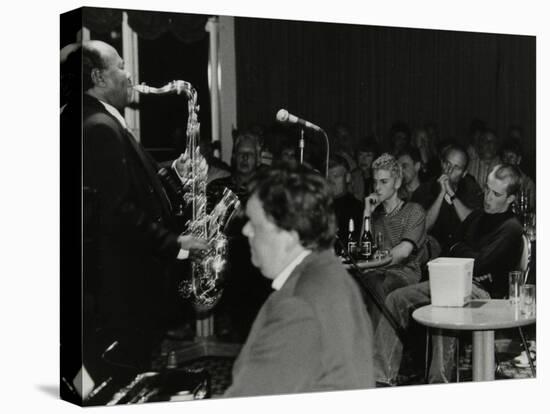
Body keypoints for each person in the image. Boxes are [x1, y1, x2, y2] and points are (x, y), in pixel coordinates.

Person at [61, 40, 207, 371]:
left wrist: (173, 171)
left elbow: (127, 184)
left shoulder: (100, 120)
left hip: (121, 286)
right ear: (98, 77)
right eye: (122, 66)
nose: (130, 76)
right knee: (130, 373)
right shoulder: (99, 127)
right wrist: (176, 245)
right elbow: (117, 212)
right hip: (124, 290)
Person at [224, 163, 375, 397]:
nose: (246, 231)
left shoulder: (298, 308)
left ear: (289, 236)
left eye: (254, 223)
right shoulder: (328, 271)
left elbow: (249, 402)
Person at [374, 164, 523, 385]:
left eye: (496, 194)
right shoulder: (477, 217)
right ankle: (381, 378)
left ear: (511, 199)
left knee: (446, 306)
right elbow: (450, 246)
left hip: (483, 293)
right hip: (452, 280)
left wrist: (461, 251)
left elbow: (480, 265)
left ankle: (439, 383)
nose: (488, 197)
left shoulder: (511, 228)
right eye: (487, 189)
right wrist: (464, 252)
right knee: (395, 299)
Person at [359, 154, 427, 328]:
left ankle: (375, 349)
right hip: (375, 272)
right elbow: (363, 250)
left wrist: (373, 264)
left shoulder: (414, 211)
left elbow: (403, 252)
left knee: (374, 283)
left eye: (384, 182)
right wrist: (367, 213)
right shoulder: (375, 217)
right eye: (375, 182)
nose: (377, 188)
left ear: (397, 183)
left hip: (403, 272)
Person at [424, 144, 483, 253]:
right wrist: (441, 194)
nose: (449, 170)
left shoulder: (471, 188)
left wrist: (452, 194)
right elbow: (423, 227)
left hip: (464, 254)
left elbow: (474, 225)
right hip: (434, 256)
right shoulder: (426, 189)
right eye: (447, 164)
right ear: (441, 163)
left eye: (457, 167)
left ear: (464, 173)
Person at [327, 155, 363, 248]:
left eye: (336, 176)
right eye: (328, 177)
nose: (331, 181)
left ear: (347, 177)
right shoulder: (320, 207)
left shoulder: (358, 208)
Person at [501, 138, 535, 210]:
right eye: (505, 157)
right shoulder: (497, 179)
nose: (507, 161)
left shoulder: (527, 184)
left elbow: (529, 210)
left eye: (511, 157)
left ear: (518, 160)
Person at [350, 138, 379, 202]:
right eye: (360, 154)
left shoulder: (381, 176)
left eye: (368, 155)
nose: (363, 159)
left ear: (375, 158)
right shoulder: (353, 177)